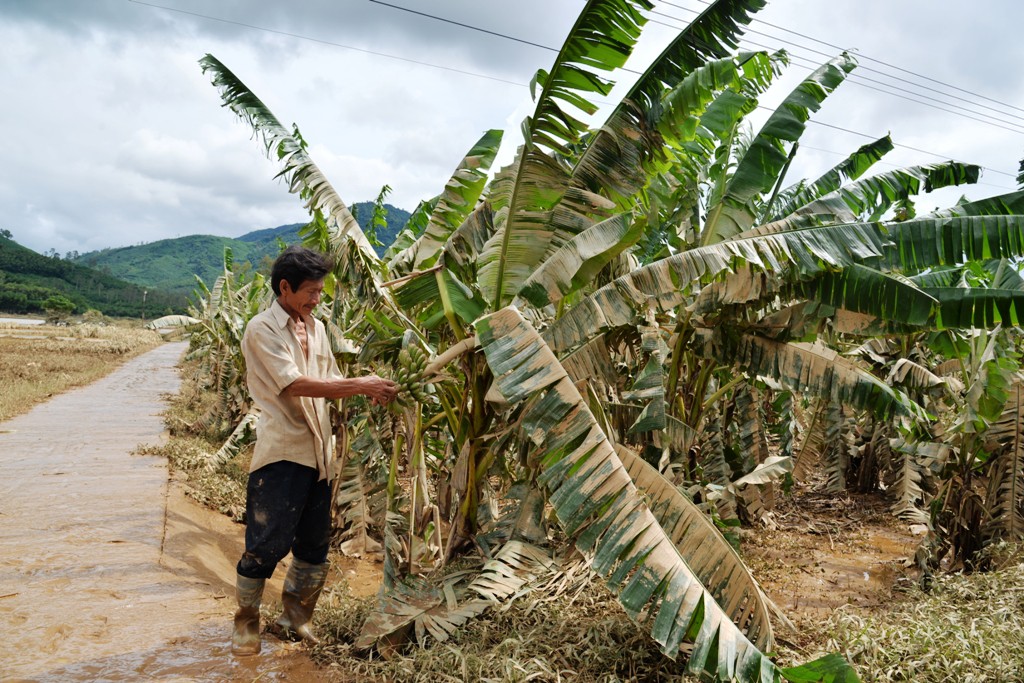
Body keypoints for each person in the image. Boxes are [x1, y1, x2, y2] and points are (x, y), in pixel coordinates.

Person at [231, 245, 397, 656]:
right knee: (266, 544)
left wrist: (374, 392)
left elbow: (331, 378)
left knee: (313, 545)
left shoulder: (318, 328)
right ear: (284, 288)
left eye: (321, 291)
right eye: (310, 291)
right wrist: (362, 384)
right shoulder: (261, 329)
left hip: (320, 453)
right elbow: (296, 385)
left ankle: (294, 620)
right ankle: (246, 622)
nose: (317, 299)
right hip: (283, 450)